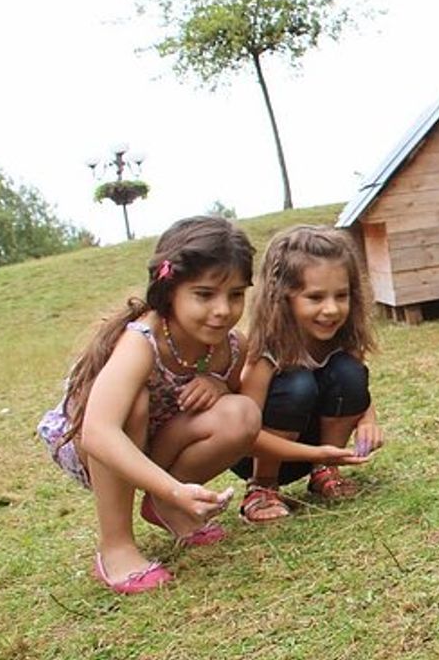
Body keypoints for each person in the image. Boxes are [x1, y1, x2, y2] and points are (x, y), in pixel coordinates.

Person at [36, 216, 261, 594]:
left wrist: (218, 387)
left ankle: (164, 508)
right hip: (91, 443)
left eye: (236, 294)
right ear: (168, 289)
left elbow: (242, 406)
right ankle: (116, 546)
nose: (223, 309)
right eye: (205, 294)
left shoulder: (231, 346)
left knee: (242, 413)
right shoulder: (141, 340)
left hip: (159, 440)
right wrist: (176, 487)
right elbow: (98, 431)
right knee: (134, 406)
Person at [232, 225, 383, 523]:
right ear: (283, 297)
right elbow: (244, 433)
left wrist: (368, 421)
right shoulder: (264, 352)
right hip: (258, 452)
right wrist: (316, 453)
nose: (331, 309)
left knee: (350, 373)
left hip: (318, 450)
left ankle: (324, 474)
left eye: (341, 295)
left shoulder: (340, 338)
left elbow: (358, 392)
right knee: (297, 383)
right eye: (315, 298)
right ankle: (261, 488)